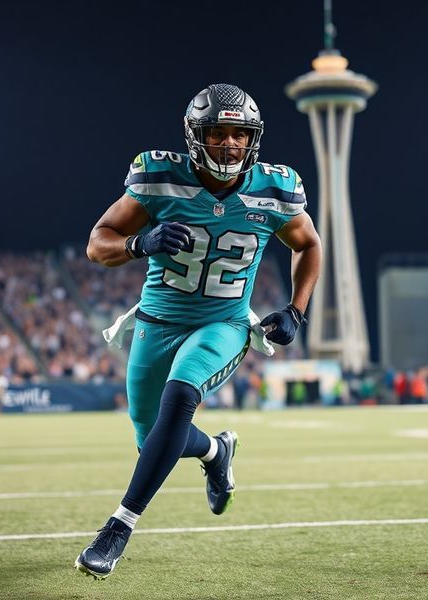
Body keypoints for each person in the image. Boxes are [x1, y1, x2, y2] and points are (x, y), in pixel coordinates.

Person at [74, 83, 322, 579]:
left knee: (180, 395)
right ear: (195, 137)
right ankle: (216, 450)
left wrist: (297, 309)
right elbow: (98, 244)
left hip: (222, 322)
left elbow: (308, 243)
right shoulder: (159, 177)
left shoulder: (275, 188)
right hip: (156, 321)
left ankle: (118, 527)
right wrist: (140, 243)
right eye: (218, 133)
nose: (230, 144)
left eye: (239, 134)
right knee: (153, 440)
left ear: (253, 138)